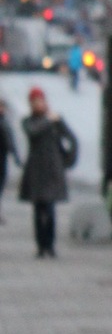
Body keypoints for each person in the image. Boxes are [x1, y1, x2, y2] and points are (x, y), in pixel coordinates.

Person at [19, 86, 77, 257]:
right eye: (34, 102)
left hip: (53, 169)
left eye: (40, 101)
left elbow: (72, 139)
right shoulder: (28, 121)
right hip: (36, 170)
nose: (38, 105)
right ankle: (41, 245)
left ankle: (50, 244)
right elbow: (33, 132)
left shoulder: (56, 120)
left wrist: (67, 160)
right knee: (38, 209)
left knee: (50, 208)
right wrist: (48, 120)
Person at [0, 96, 21, 222]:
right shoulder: (4, 123)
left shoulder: (5, 122)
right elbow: (10, 141)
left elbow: (10, 141)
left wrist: (15, 155)